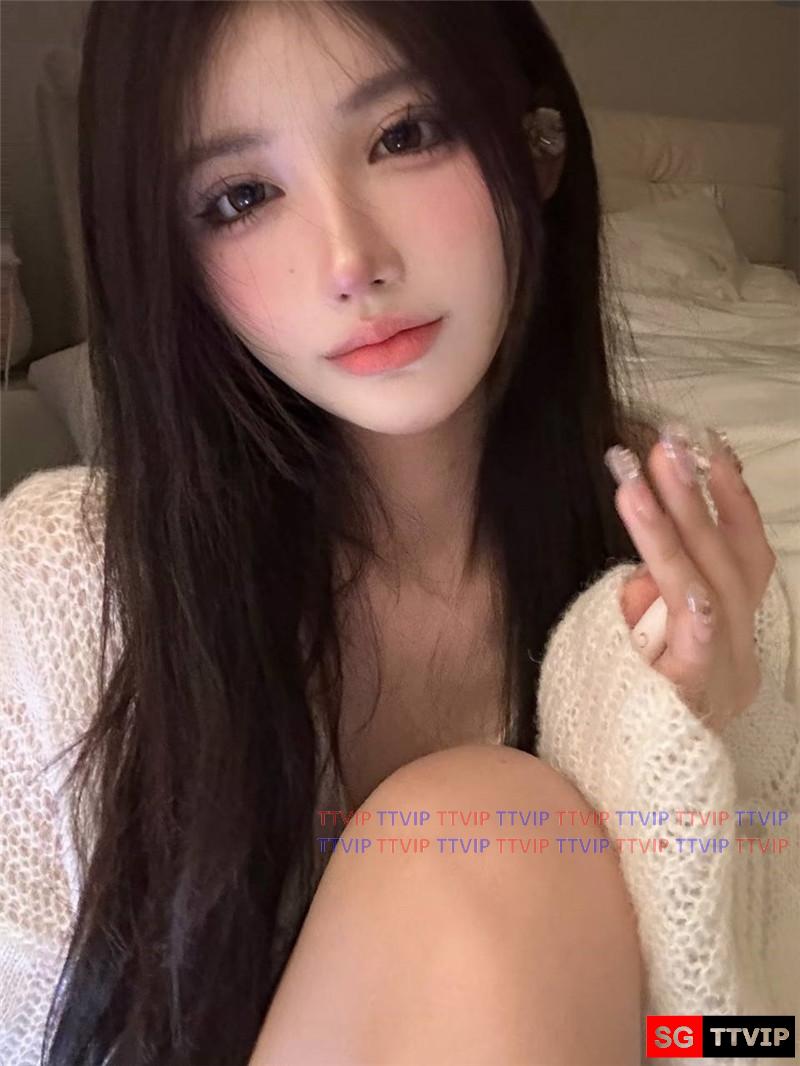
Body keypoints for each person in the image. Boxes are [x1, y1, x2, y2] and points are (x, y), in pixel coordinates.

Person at [1, 2, 797, 1064]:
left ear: (535, 144)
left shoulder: (682, 556)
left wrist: (676, 747)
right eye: (241, 197)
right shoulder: (60, 593)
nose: (351, 261)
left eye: (405, 134)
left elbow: (741, 1039)